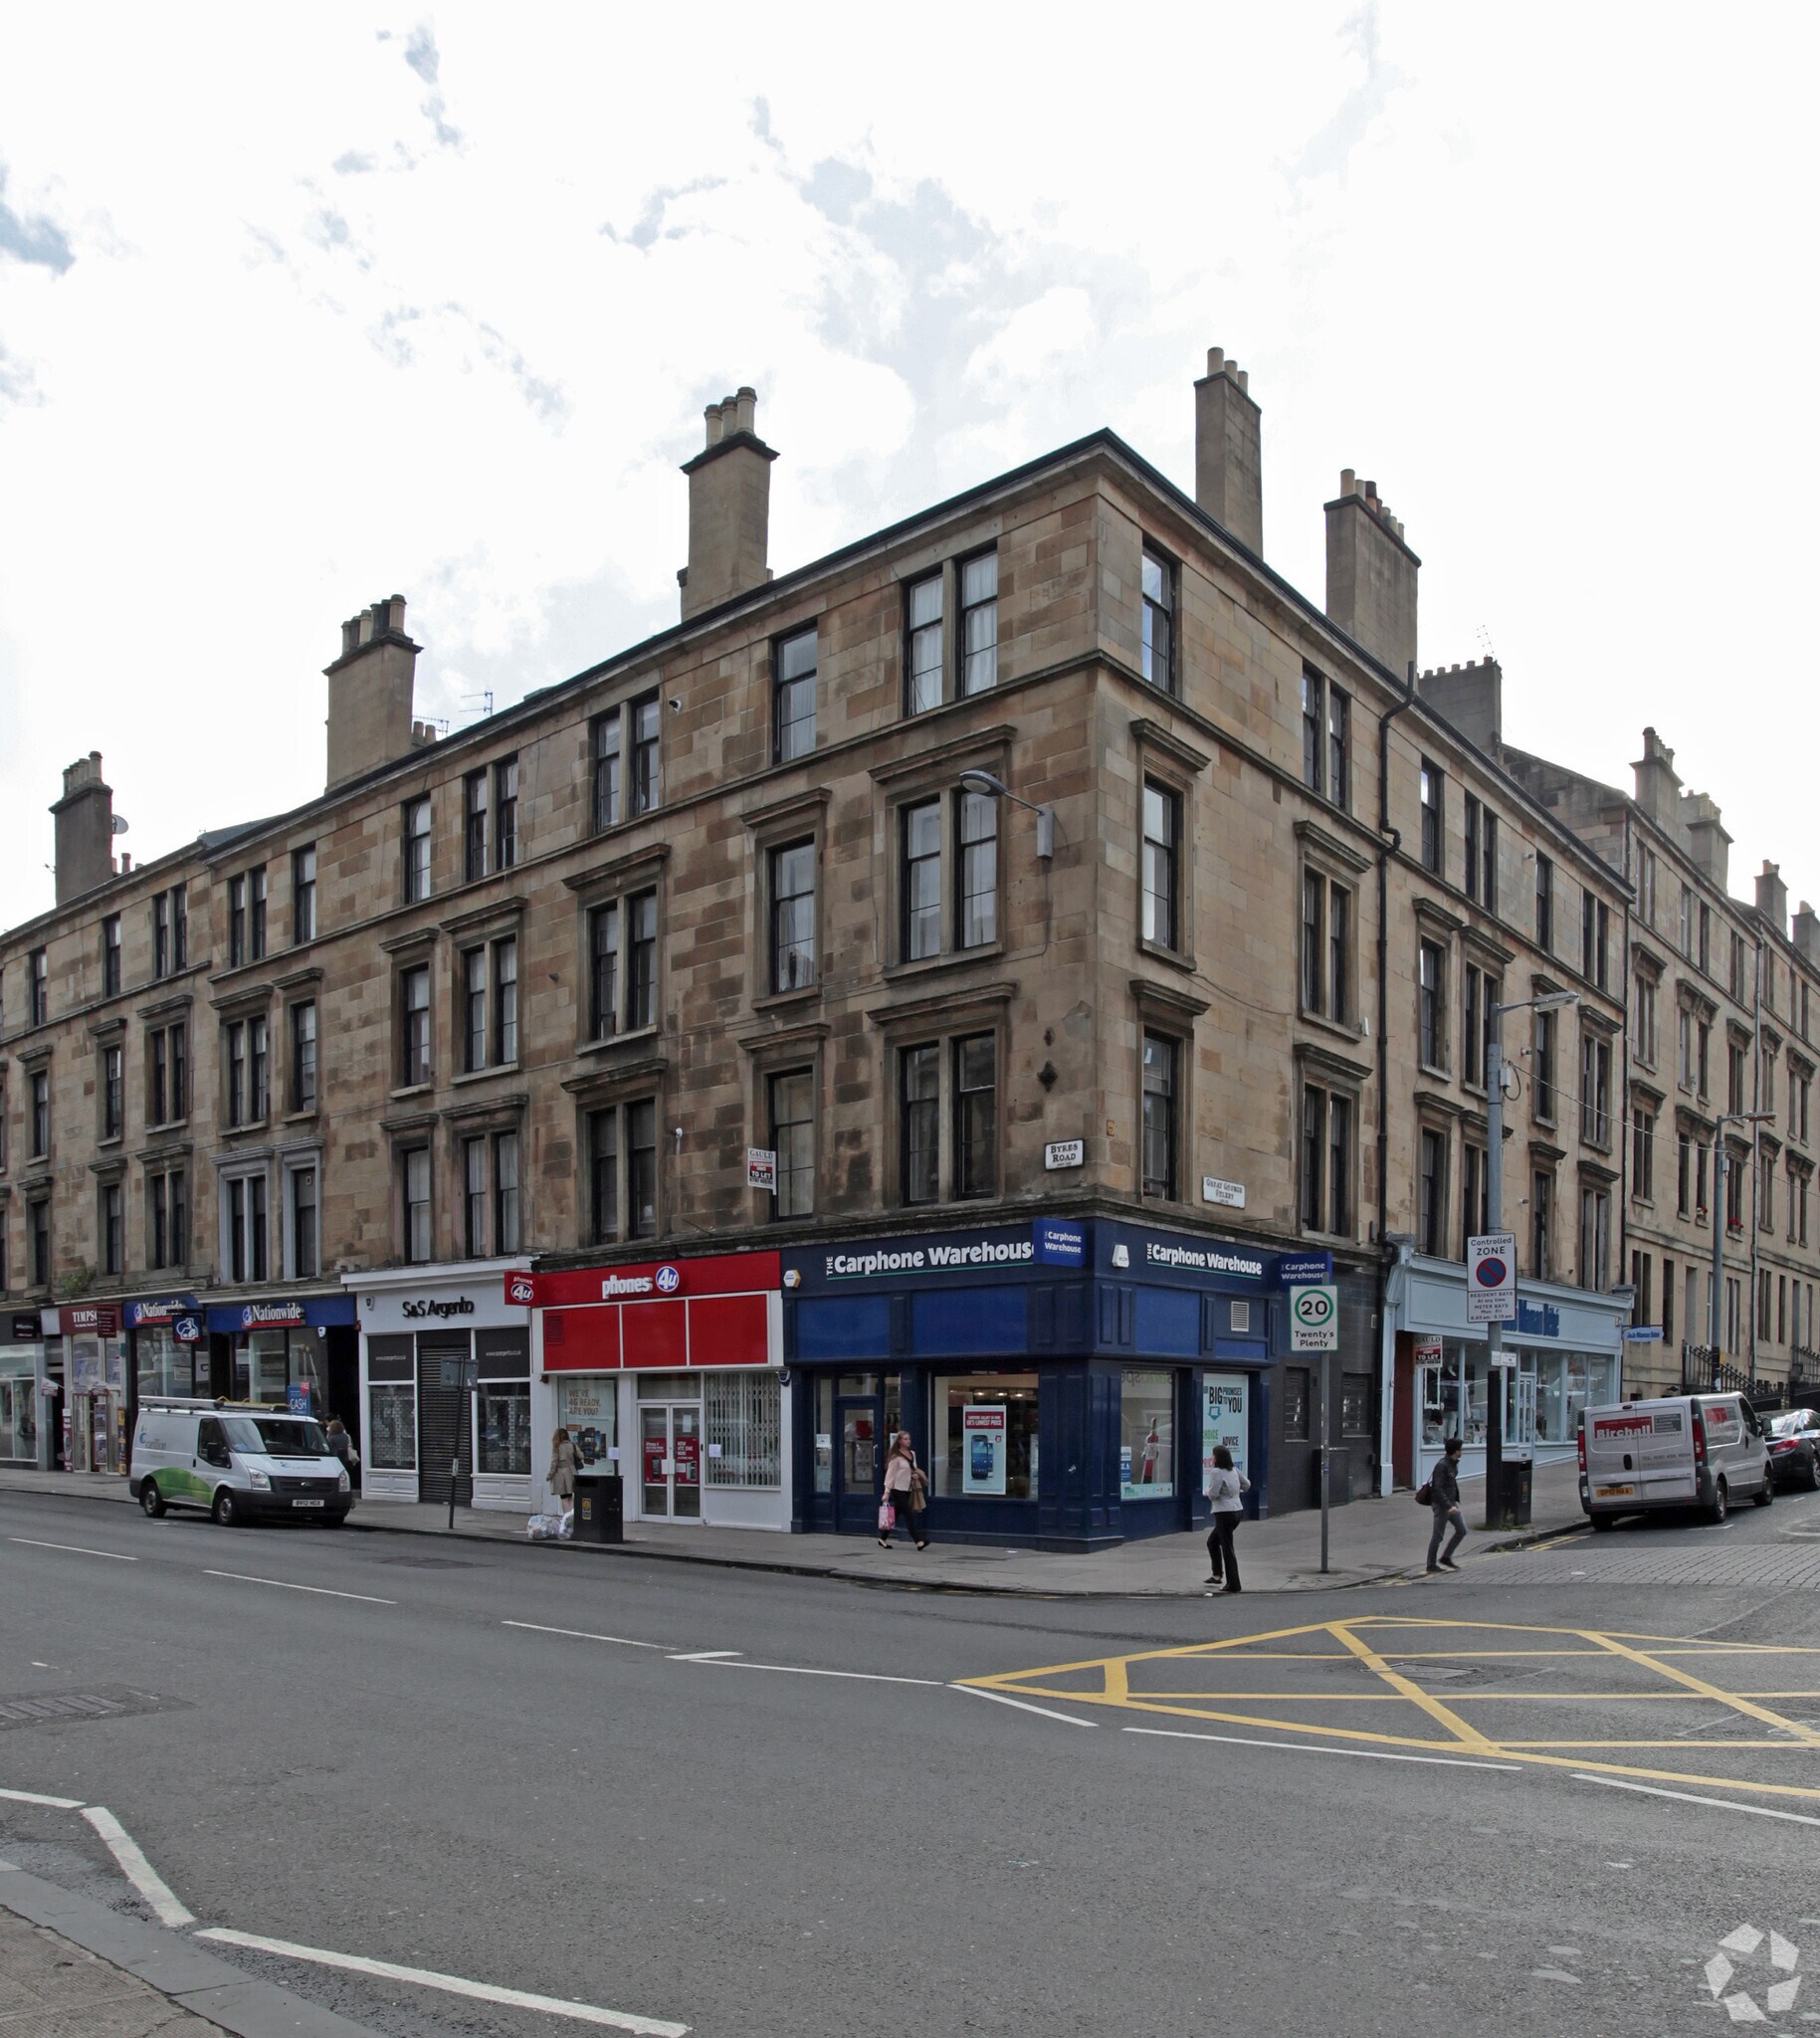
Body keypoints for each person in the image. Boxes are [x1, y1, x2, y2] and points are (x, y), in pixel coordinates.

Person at [1205, 1445, 1250, 1593]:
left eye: (1213, 1455)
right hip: (1237, 1510)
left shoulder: (1216, 1472)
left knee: (1227, 1548)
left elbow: (1214, 1493)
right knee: (1212, 1542)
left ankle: (1234, 1584)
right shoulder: (1234, 1470)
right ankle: (1217, 1575)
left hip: (1224, 1512)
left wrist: (1208, 1491)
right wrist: (1234, 1493)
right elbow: (1247, 1484)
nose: (1212, 1458)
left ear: (1218, 1457)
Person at [880, 1431, 928, 1550]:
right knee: (909, 1514)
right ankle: (919, 1541)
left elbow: (913, 1468)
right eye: (905, 1439)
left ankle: (882, 1538)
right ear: (900, 1441)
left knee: (895, 1514)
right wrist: (886, 1492)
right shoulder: (895, 1457)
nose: (908, 1441)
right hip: (897, 1489)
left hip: (909, 1488)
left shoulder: (912, 1454)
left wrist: (915, 1475)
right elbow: (890, 1475)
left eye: (909, 1438)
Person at [1427, 1436, 1468, 1573]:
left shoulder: (1452, 1463)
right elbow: (1437, 1489)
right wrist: (1448, 1506)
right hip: (1442, 1505)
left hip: (1451, 1503)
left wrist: (1453, 1503)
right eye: (1460, 1449)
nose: (1462, 1451)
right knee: (1438, 1535)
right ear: (1456, 1451)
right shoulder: (1442, 1465)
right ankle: (1431, 1564)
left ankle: (1446, 1557)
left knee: (1462, 1530)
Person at [547, 1425, 579, 1517]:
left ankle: (566, 1518)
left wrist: (550, 1475)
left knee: (564, 1497)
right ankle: (572, 1516)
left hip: (561, 1473)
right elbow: (581, 1456)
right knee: (570, 1496)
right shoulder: (572, 1445)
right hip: (572, 1472)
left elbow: (554, 1462)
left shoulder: (557, 1447)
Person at [324, 1416, 360, 1489]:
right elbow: (351, 1445)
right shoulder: (347, 1436)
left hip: (336, 1458)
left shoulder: (331, 1437)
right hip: (346, 1458)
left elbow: (328, 1448)